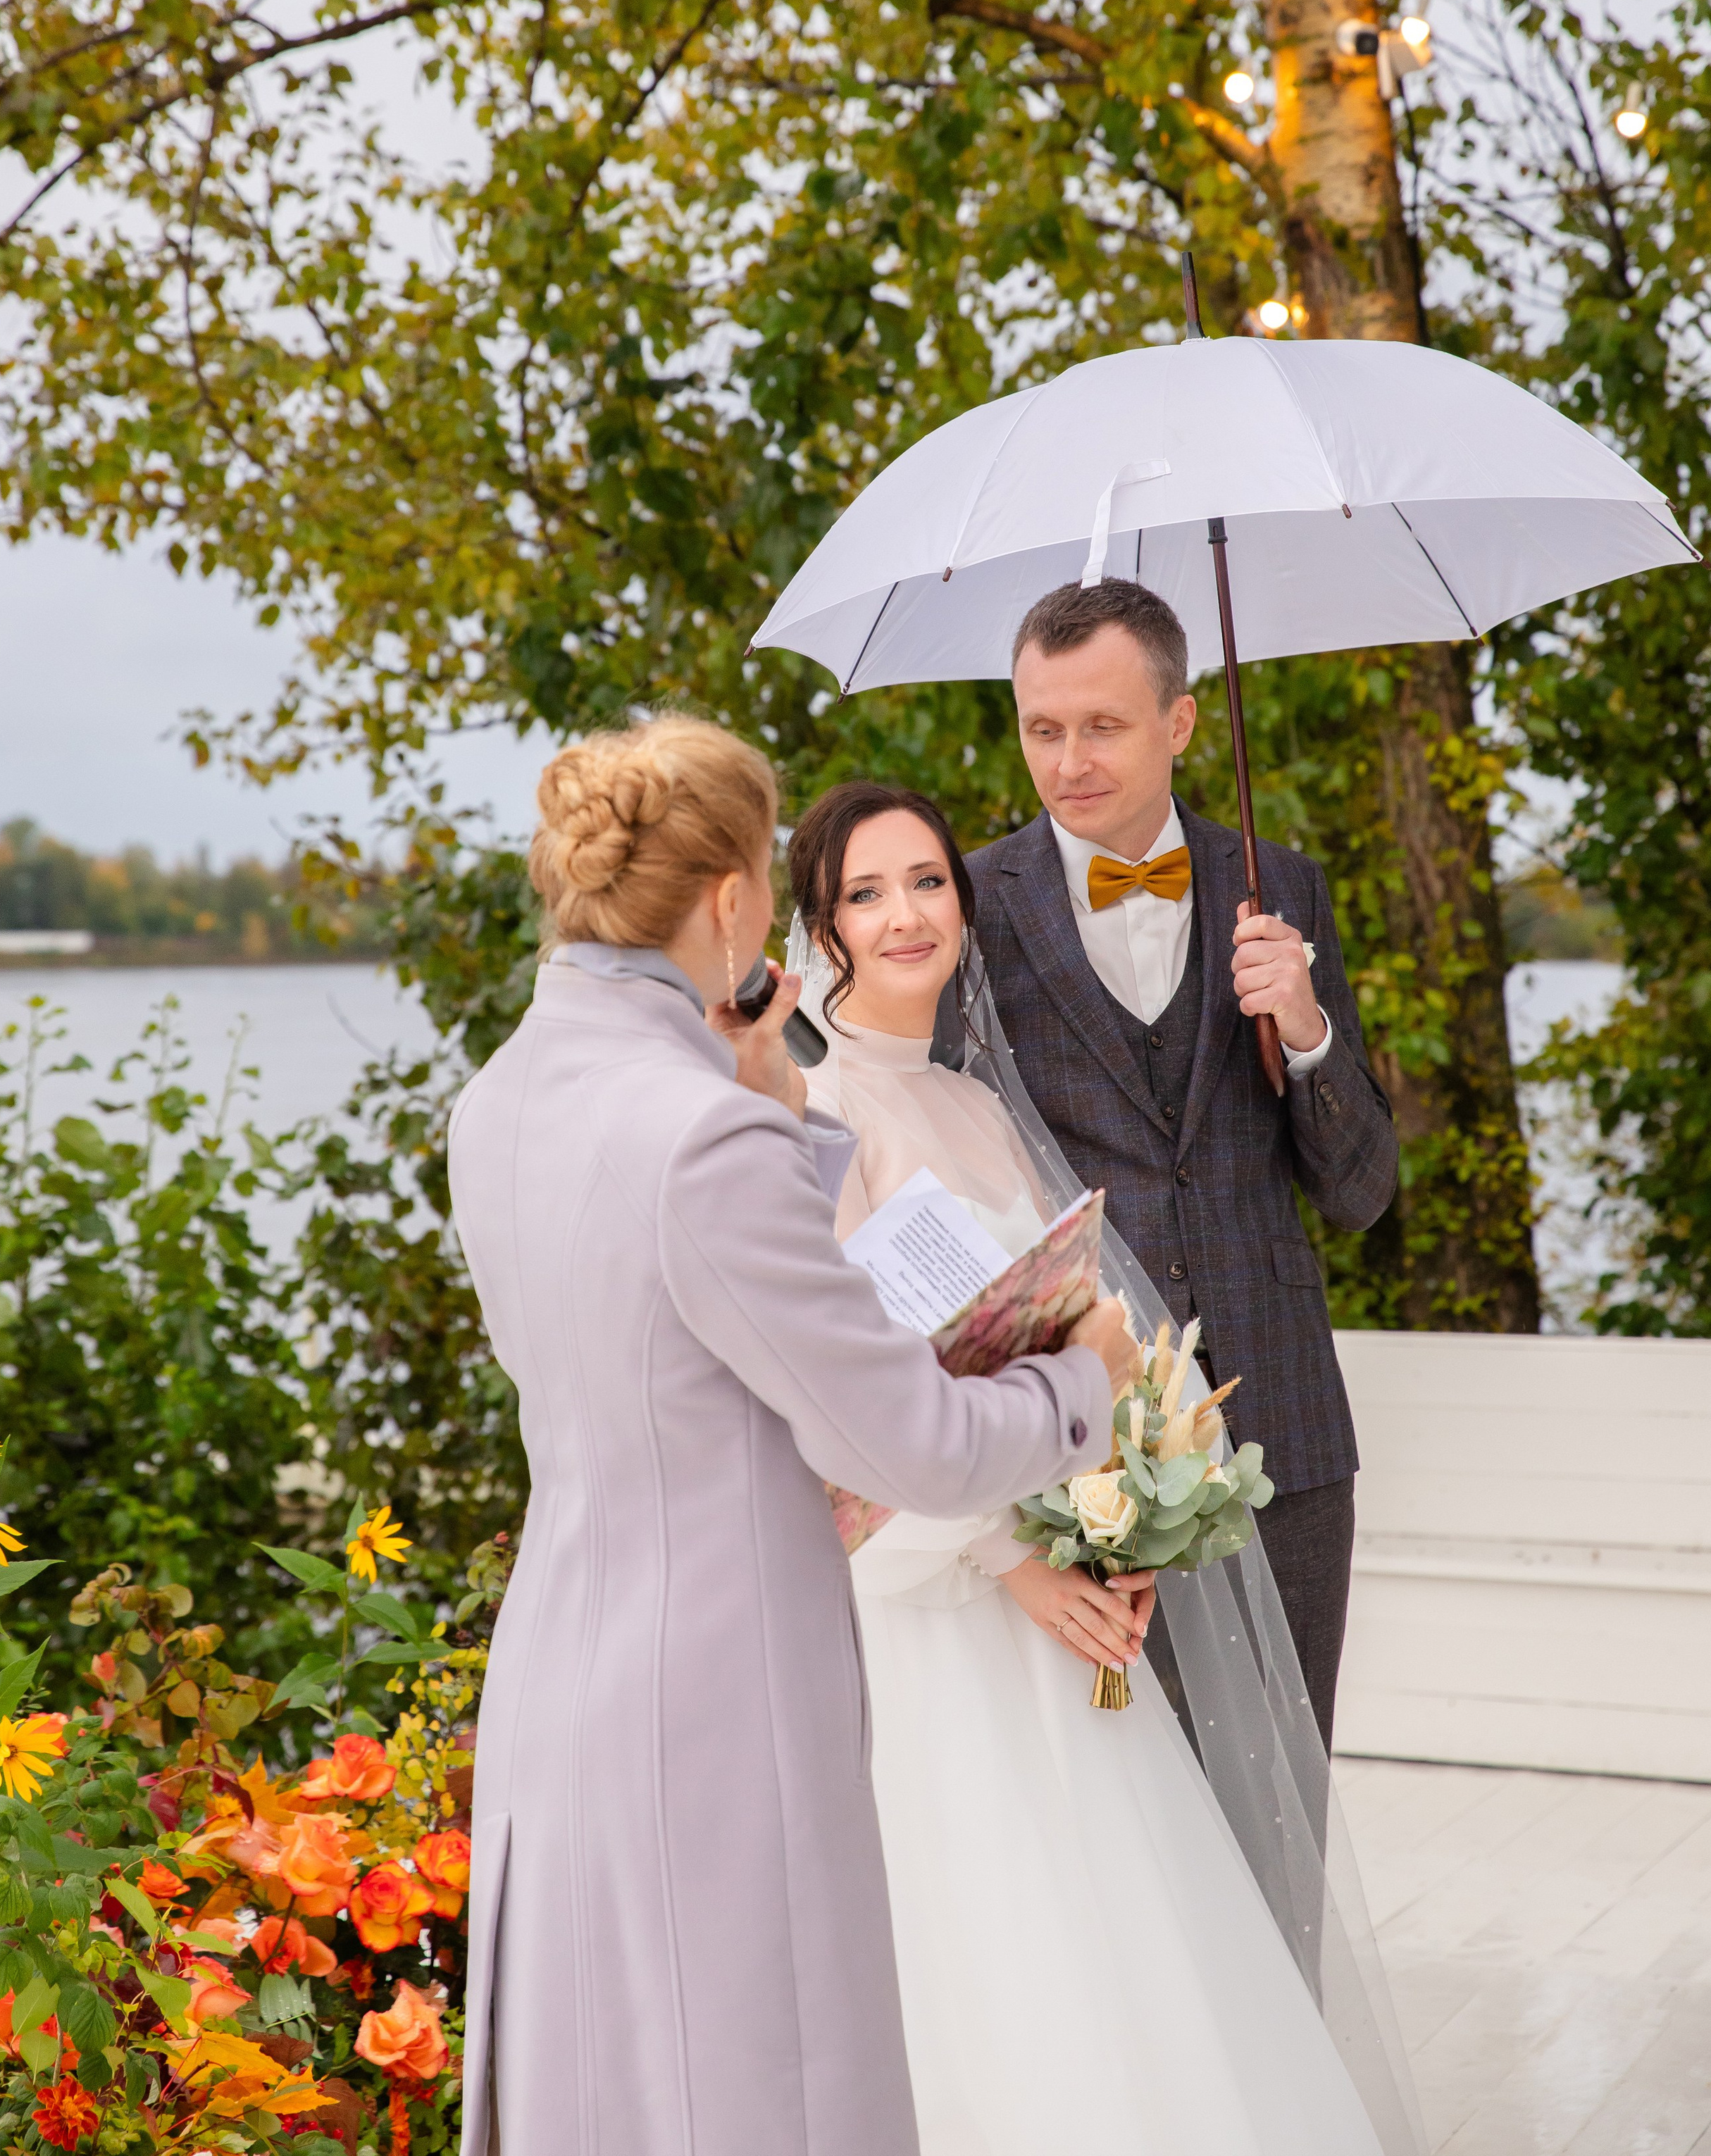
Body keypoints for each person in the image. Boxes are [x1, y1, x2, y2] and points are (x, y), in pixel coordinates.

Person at [447, 716, 1138, 2156]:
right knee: (768, 2099)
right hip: (714, 1691)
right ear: (732, 900)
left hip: (555, 1676)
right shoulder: (698, 1142)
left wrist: (773, 1112)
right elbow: (915, 1450)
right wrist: (1088, 1380)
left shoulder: (499, 1101)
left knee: (613, 2106)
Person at [786, 780, 1420, 2156]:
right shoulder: (815, 1122)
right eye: (861, 892)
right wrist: (1008, 1561)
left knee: (1139, 1955)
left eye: (924, 882)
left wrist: (1115, 1524)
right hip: (937, 1616)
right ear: (815, 928)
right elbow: (836, 1411)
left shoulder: (970, 1100)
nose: (903, 914)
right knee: (987, 1958)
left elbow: (1074, 1330)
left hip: (1068, 1594)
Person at [964, 577, 1400, 1748]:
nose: (1067, 762)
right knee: (1126, 1826)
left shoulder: (1284, 886)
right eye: (1041, 728)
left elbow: (1361, 1193)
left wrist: (1305, 1032)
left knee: (1281, 1795)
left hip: (1287, 1432)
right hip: (1078, 1444)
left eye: (1101, 725)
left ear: (1182, 721)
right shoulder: (962, 908)